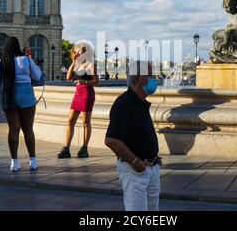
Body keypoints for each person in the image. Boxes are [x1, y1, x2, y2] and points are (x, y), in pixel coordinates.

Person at [105, 60, 162, 211]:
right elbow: (111, 140)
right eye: (150, 75)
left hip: (151, 168)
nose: (154, 79)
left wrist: (154, 158)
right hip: (135, 171)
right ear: (138, 78)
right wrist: (136, 162)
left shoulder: (140, 102)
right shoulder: (124, 103)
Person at [0, 37, 43, 172]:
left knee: (13, 130)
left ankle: (14, 162)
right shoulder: (26, 60)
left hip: (8, 95)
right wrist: (32, 61)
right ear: (17, 46)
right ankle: (33, 161)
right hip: (26, 94)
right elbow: (37, 77)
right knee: (28, 129)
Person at [58, 43, 99, 159]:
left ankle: (84, 148)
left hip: (87, 94)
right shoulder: (76, 65)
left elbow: (96, 82)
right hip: (78, 94)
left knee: (86, 122)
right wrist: (73, 62)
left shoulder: (90, 65)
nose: (77, 53)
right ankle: (66, 148)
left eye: (79, 51)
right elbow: (68, 77)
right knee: (70, 121)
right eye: (75, 51)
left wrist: (85, 82)